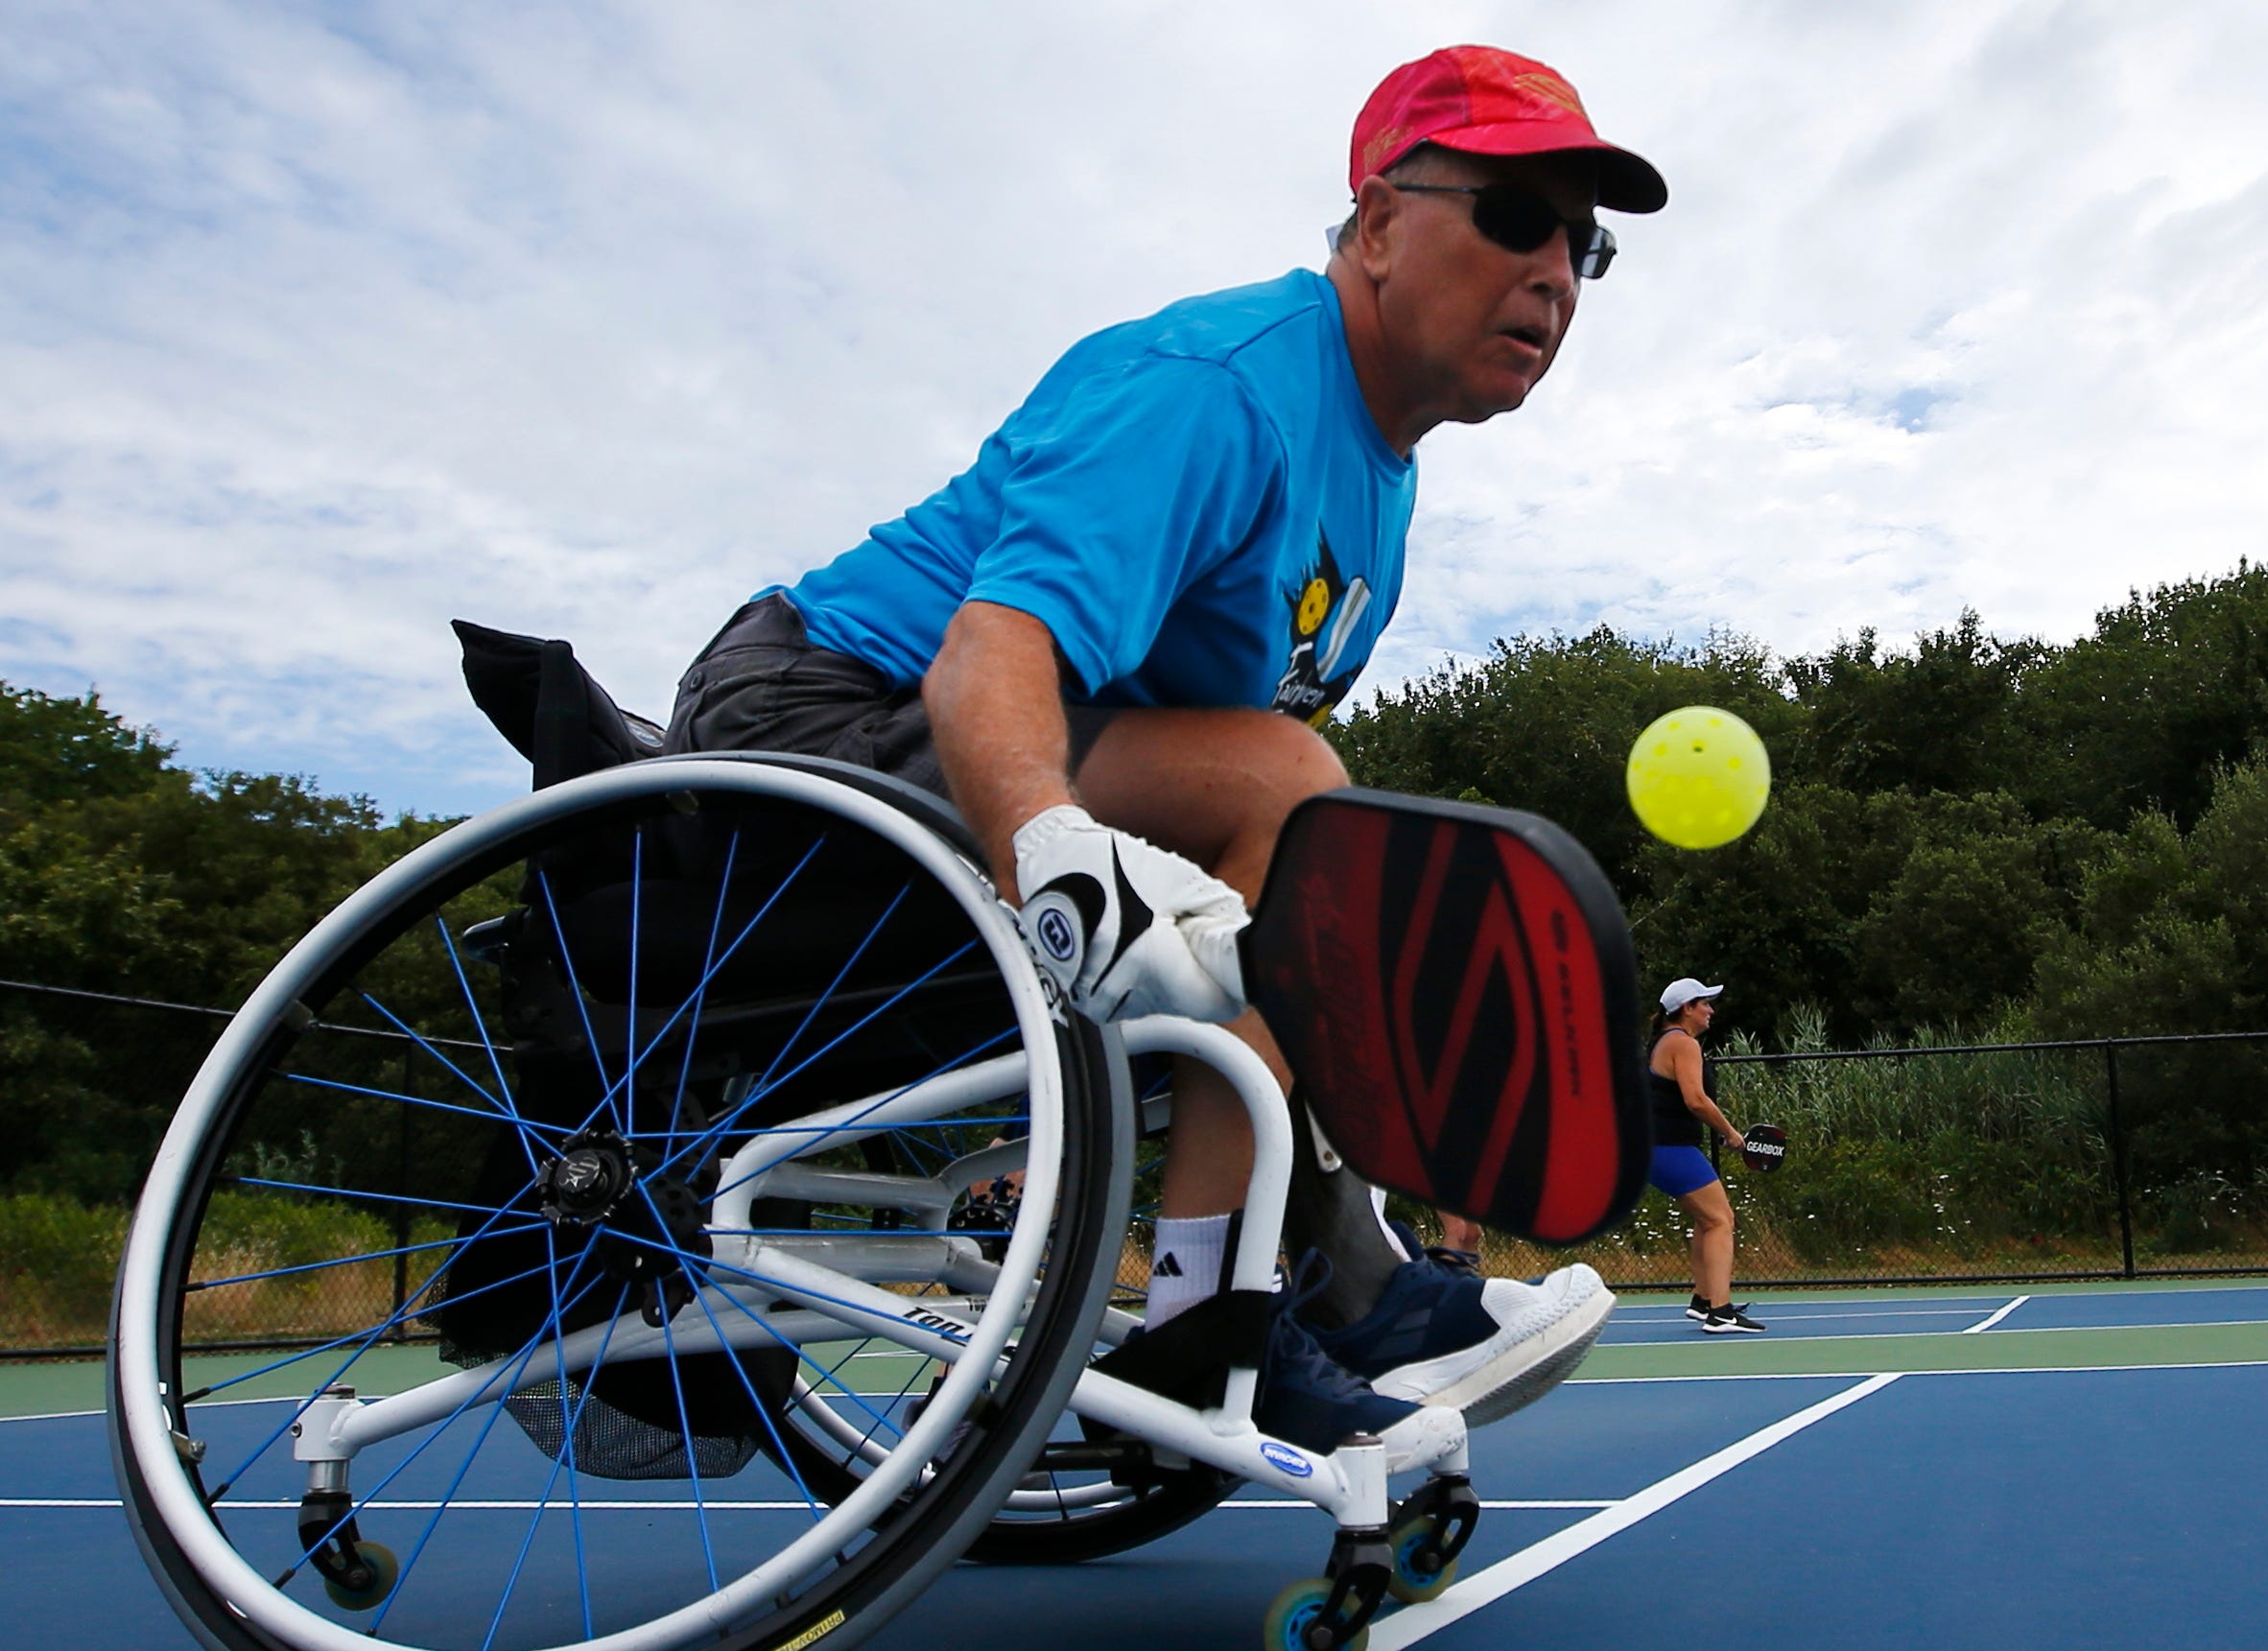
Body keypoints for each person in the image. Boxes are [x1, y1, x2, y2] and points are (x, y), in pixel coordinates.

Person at [650, 47, 1655, 1444]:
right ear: (1376, 225)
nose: (1553, 269)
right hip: (818, 709)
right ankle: (1217, 1320)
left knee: (1315, 847)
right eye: (1512, 215)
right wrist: (1059, 854)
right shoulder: (1219, 385)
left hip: (1014, 743)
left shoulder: (1380, 492)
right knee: (1302, 803)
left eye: (1583, 246)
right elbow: (985, 657)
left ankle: (1274, 1290)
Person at [1647, 978, 1765, 1333]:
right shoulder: (1682, 1044)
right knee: (1720, 1220)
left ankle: (1704, 1300)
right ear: (1687, 1009)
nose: (1711, 1011)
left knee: (1705, 1219)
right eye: (1705, 1004)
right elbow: (1695, 1100)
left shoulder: (1661, 1042)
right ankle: (1721, 1312)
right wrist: (1730, 1133)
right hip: (1668, 1147)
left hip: (1657, 1148)